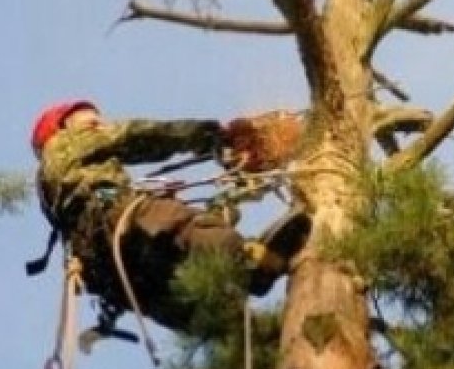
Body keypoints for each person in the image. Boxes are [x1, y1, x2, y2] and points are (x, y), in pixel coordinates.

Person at [29, 100, 308, 334]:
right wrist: (209, 134)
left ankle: (252, 340)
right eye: (92, 122)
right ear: (63, 126)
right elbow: (136, 136)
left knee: (189, 290)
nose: (100, 125)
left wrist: (225, 203)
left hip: (110, 273)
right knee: (179, 224)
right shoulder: (64, 144)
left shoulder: (54, 188)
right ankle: (251, 264)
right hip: (117, 224)